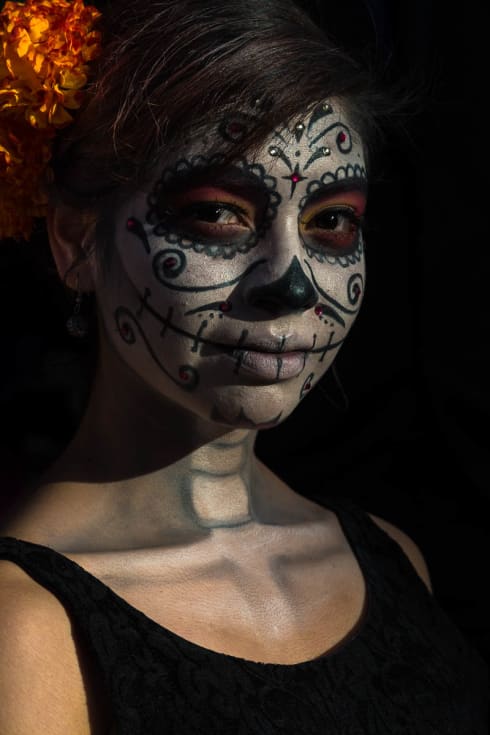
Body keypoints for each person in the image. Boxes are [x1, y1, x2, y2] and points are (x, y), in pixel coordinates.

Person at [0, 0, 488, 733]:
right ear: (74, 238)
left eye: (332, 221)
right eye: (219, 213)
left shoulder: (394, 561)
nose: (291, 281)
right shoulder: (26, 630)